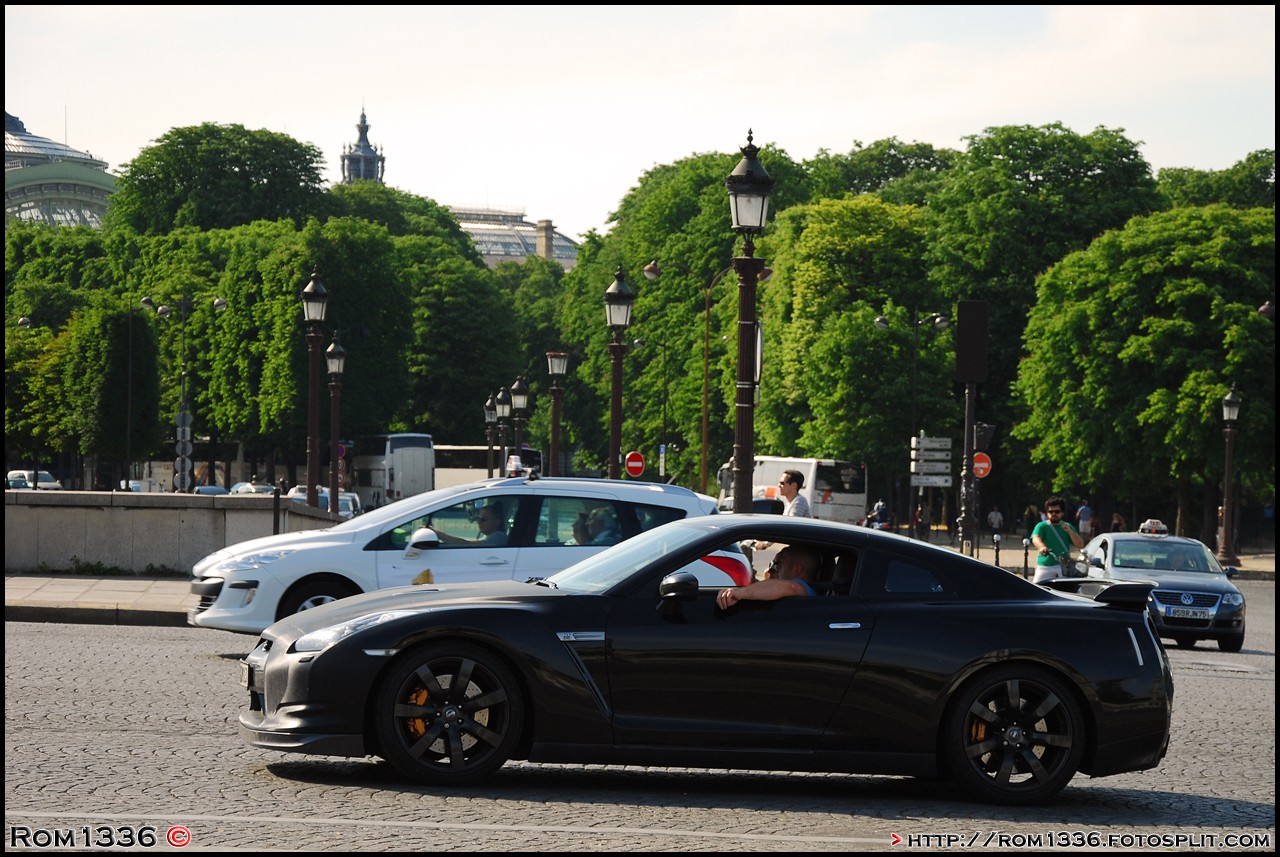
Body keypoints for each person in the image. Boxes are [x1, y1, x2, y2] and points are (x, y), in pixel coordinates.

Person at [716, 545, 820, 609]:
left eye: (779, 563)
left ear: (796, 570)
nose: (772, 568)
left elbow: (790, 587)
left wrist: (740, 593)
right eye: (772, 563)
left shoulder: (803, 589)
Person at [752, 469, 813, 551]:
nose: (779, 485)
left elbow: (789, 527)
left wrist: (766, 543)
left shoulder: (799, 501)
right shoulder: (790, 502)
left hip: (803, 549)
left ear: (794, 485)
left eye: (782, 483)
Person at [1031, 496, 1084, 583]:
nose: (1053, 514)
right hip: (1045, 566)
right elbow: (1035, 538)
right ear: (1047, 513)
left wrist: (1070, 532)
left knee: (1072, 592)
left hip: (1064, 567)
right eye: (1050, 511)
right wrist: (1042, 547)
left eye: (1057, 511)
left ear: (1062, 513)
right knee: (1036, 590)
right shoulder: (1042, 526)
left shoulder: (1067, 526)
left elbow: (1080, 545)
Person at [438, 501, 508, 546]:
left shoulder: (498, 537)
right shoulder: (489, 536)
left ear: (496, 522)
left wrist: (438, 535)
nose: (479, 522)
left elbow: (467, 544)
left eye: (483, 519)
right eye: (478, 518)